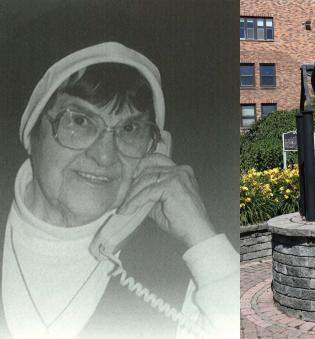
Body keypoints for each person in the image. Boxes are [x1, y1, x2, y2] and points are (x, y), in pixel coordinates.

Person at [0, 42, 239, 339]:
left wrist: (202, 238)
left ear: (156, 149)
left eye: (130, 130)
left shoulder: (180, 274)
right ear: (31, 132)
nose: (104, 156)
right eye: (79, 120)